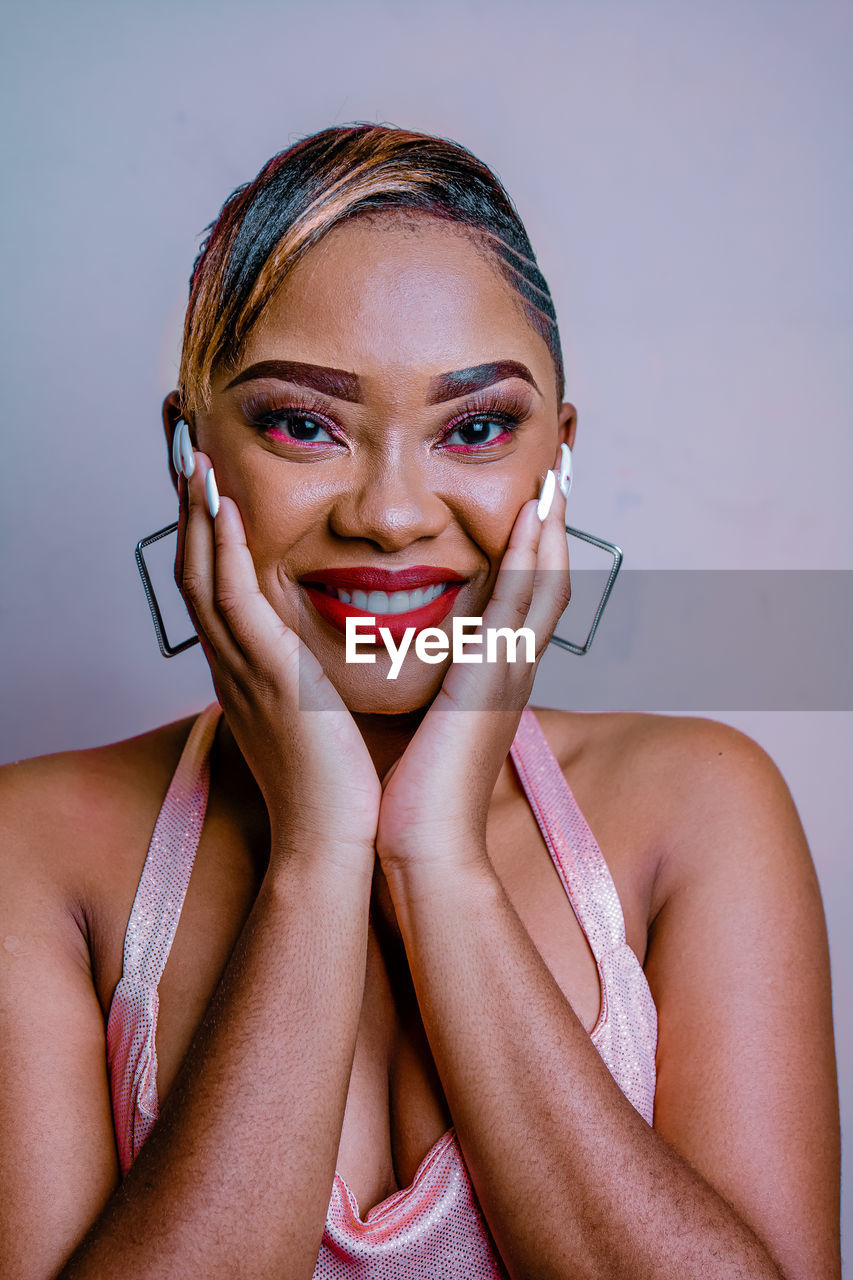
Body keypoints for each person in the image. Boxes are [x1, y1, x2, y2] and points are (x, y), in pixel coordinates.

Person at [0, 124, 840, 1280]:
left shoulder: (698, 808)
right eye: (305, 422)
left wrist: (435, 853)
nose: (391, 515)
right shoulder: (36, 847)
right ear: (191, 459)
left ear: (560, 462)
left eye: (476, 426)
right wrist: (316, 847)